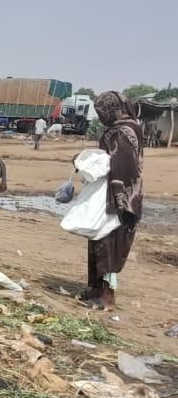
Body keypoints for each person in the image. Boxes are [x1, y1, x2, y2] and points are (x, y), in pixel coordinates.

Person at [84, 91, 144, 311]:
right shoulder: (126, 129)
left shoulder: (121, 133)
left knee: (109, 245)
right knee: (98, 241)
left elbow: (122, 167)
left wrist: (119, 201)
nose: (101, 117)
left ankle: (107, 296)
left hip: (119, 199)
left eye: (103, 112)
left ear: (115, 109)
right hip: (113, 195)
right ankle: (96, 289)